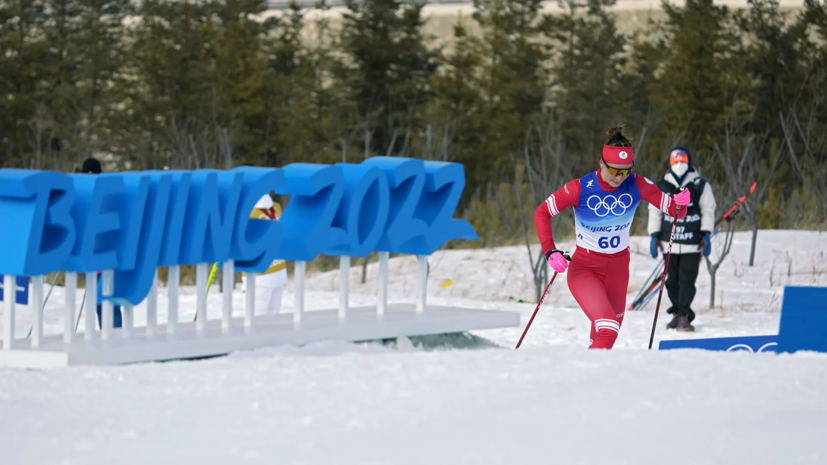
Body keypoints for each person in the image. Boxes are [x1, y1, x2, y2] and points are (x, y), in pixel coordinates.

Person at [533, 127, 690, 349]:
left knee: (604, 334)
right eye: (614, 171)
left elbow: (676, 213)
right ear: (601, 163)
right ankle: (577, 378)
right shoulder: (580, 188)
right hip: (586, 267)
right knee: (608, 327)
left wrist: (682, 203)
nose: (619, 178)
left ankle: (591, 379)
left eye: (625, 172)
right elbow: (542, 212)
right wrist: (550, 250)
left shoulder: (637, 184)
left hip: (618, 269)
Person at [647, 146, 716, 332]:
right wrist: (654, 235)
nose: (679, 165)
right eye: (675, 161)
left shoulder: (700, 185)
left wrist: (706, 233)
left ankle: (685, 315)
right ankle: (676, 314)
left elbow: (708, 211)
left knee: (687, 281)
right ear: (669, 163)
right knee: (671, 282)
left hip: (691, 244)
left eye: (682, 161)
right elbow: (655, 211)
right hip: (669, 243)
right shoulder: (662, 186)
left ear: (689, 162)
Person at [79, 157, 124, 329]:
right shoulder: (84, 193)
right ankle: (107, 337)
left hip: (105, 256)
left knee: (110, 302)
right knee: (99, 303)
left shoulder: (107, 194)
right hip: (90, 257)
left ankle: (115, 339)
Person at [242, 193, 288, 315]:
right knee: (271, 323)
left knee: (253, 322)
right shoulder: (276, 208)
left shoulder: (247, 214)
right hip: (278, 271)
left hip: (258, 277)